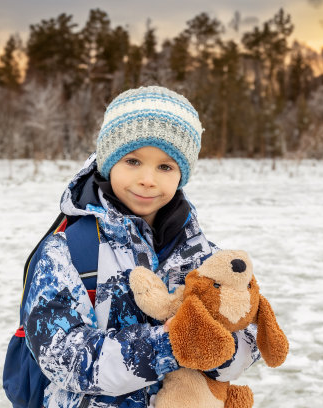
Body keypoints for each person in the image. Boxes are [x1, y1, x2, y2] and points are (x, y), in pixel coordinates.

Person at [22, 86, 260, 408]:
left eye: (165, 167)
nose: (148, 179)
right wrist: (169, 345)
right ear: (108, 163)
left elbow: (250, 336)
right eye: (133, 161)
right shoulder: (67, 251)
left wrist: (215, 346)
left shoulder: (204, 256)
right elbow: (59, 354)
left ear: (181, 174)